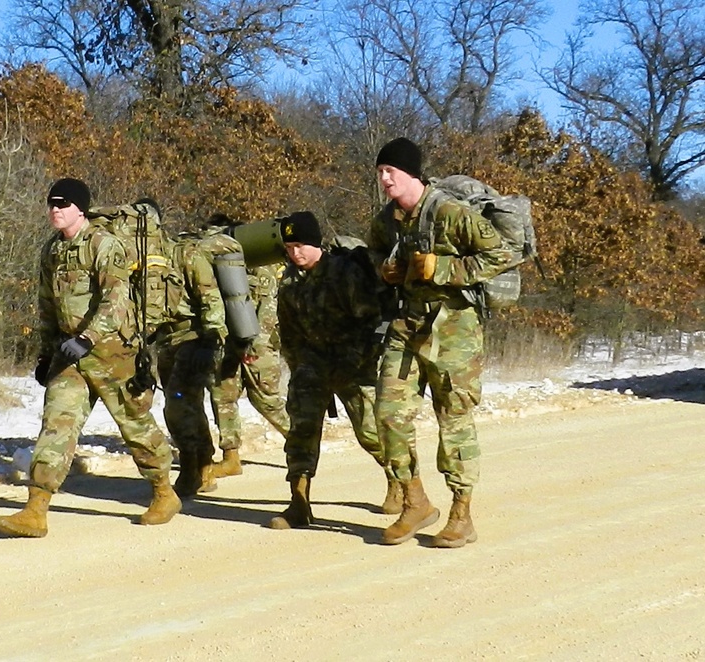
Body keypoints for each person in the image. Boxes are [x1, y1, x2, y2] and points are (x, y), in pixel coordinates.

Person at [0, 178, 181, 538]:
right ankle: (35, 510)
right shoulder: (52, 251)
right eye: (51, 204)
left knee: (135, 424)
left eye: (62, 204)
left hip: (112, 352)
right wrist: (47, 354)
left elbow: (116, 300)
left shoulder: (103, 245)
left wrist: (88, 337)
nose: (55, 210)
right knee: (56, 424)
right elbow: (48, 306)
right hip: (70, 355)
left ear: (80, 208)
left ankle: (163, 491)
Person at [368, 138, 513, 548]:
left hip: (455, 333)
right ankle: (415, 500)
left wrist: (443, 267)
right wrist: (386, 270)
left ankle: (461, 514)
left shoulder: (450, 212)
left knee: (454, 421)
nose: (383, 179)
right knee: (388, 412)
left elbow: (500, 254)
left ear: (411, 172)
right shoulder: (388, 220)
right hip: (407, 325)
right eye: (380, 172)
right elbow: (374, 253)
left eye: (389, 171)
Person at [269, 211, 396, 529]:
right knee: (301, 434)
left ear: (315, 243)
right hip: (311, 367)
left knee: (370, 432)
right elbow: (289, 329)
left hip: (352, 366)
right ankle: (299, 503)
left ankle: (401, 484)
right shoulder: (289, 280)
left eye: (301, 245)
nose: (295, 253)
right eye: (289, 247)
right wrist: (298, 365)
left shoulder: (343, 272)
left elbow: (370, 321)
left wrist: (358, 362)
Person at [202, 216, 291, 481]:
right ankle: (231, 456)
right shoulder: (215, 266)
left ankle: (300, 443)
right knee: (222, 396)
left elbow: (268, 309)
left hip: (258, 345)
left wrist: (255, 344)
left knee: (266, 400)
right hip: (228, 342)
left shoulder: (259, 266)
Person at [154, 218, 229, 498]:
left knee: (179, 402)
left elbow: (211, 299)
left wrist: (210, 341)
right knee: (185, 405)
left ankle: (192, 466)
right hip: (165, 340)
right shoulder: (137, 258)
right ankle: (203, 462)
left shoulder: (187, 255)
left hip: (193, 337)